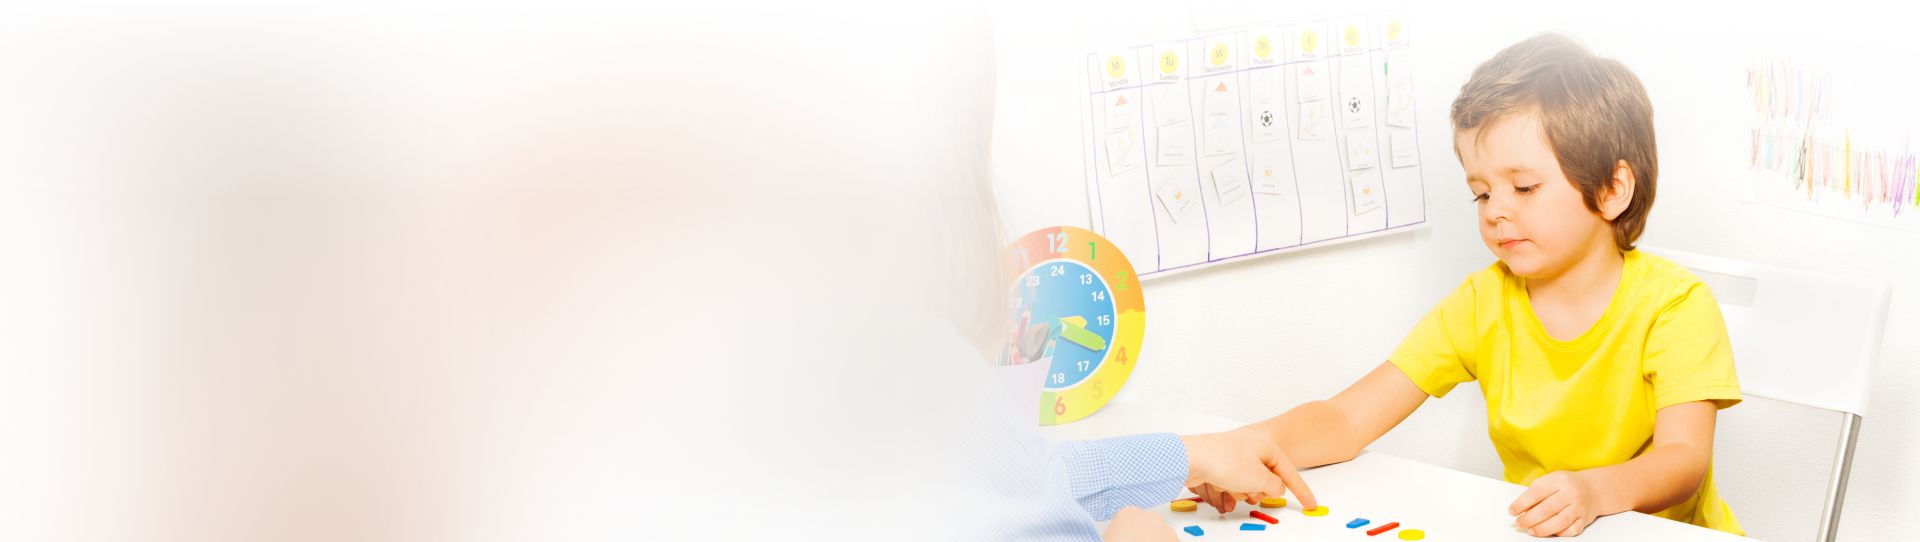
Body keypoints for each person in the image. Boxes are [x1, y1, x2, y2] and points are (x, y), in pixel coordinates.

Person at [1189, 33, 1743, 537]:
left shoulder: (1675, 306)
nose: (1496, 211)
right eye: (1481, 193)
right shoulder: (1482, 302)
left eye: (1524, 187)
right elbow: (1346, 419)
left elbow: (1683, 461)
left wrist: (1596, 491)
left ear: (1613, 189)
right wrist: (1250, 447)